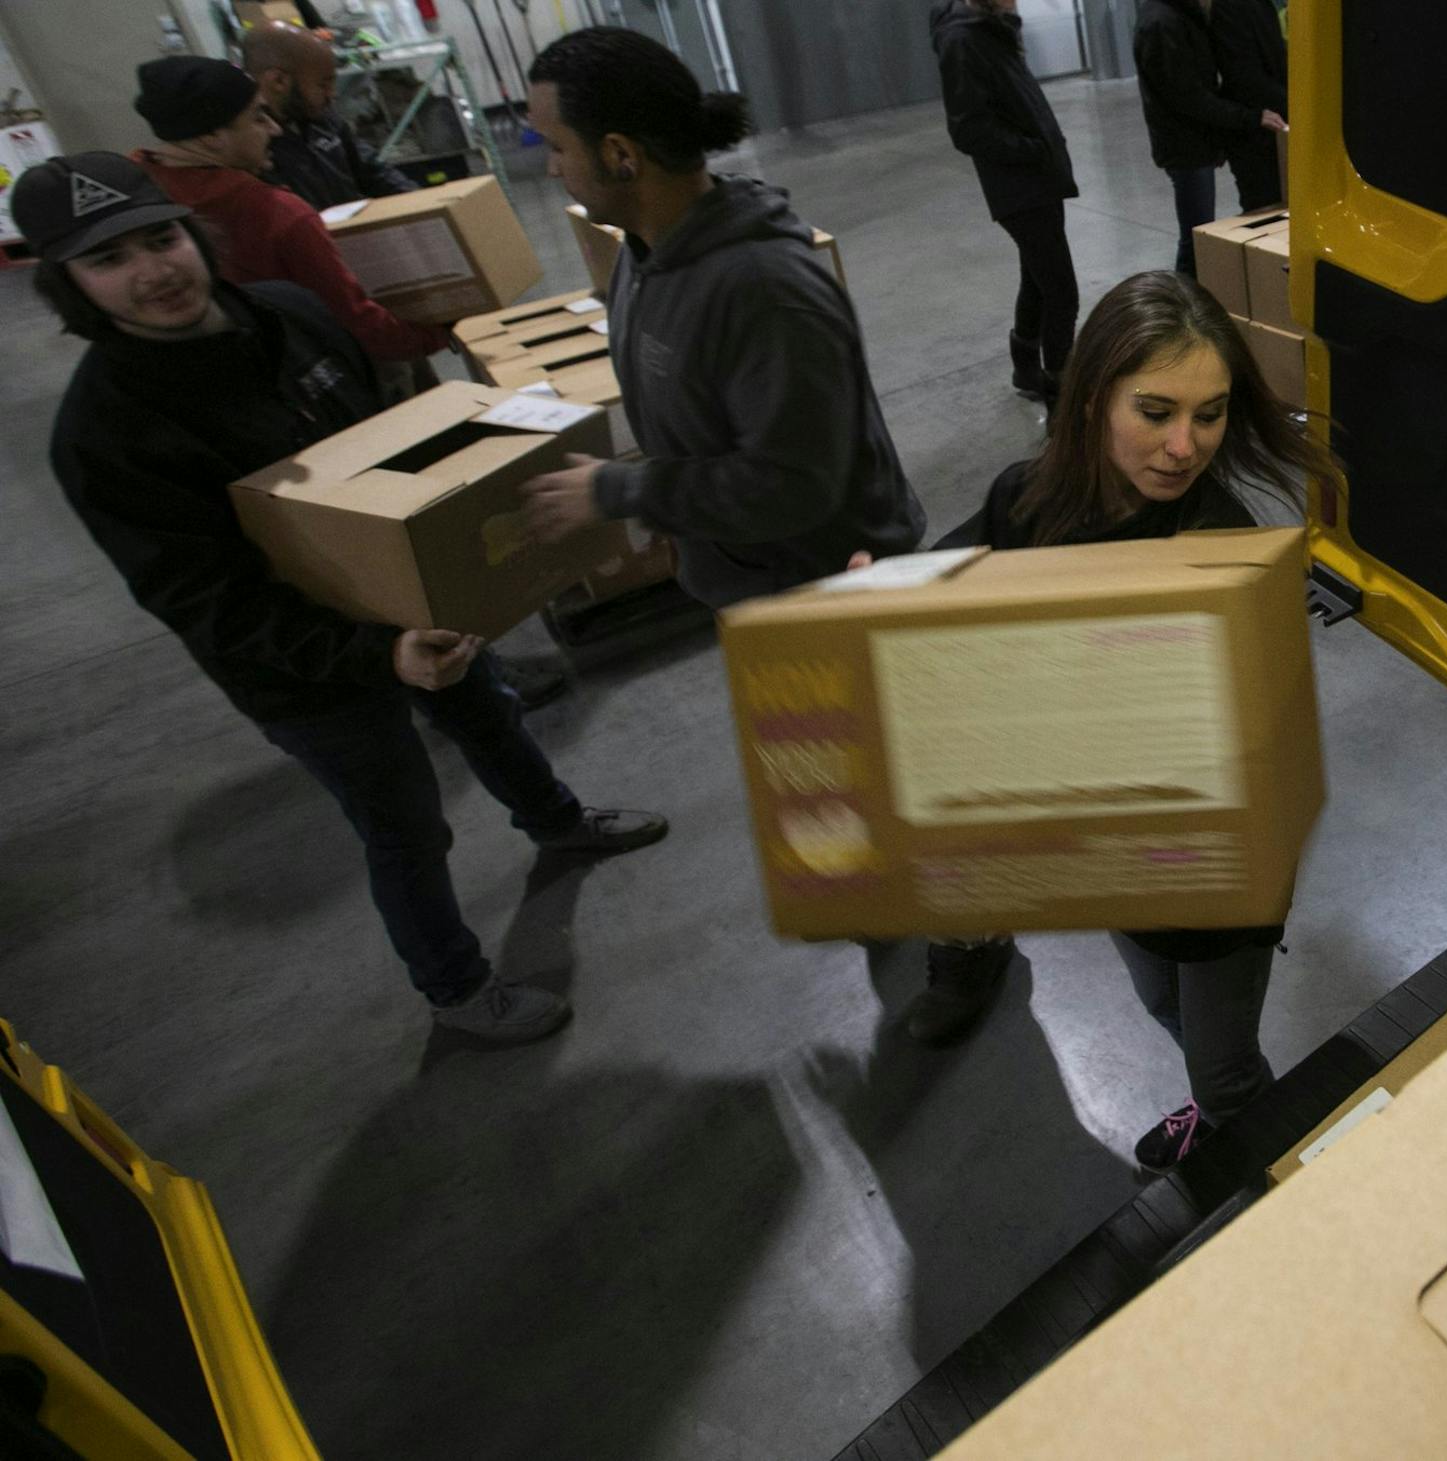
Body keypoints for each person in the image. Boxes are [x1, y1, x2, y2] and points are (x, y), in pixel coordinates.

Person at [21, 152, 666, 1046]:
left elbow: (398, 451)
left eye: (160, 238)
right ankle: (455, 985)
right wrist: (373, 654)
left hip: (413, 604)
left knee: (490, 712)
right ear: (70, 287)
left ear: (191, 232)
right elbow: (209, 602)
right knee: (403, 821)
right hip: (301, 669)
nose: (152, 272)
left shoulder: (292, 317)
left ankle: (558, 823)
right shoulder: (107, 436)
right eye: (110, 261)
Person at [907, 272, 1341, 1172]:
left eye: (1211, 415)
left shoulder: (1217, 556)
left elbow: (1239, 759)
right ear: (1094, 395)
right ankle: (1214, 1110)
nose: (1186, 447)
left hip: (1215, 878)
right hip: (1106, 860)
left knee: (1226, 1067)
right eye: (1156, 410)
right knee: (1160, 1007)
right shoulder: (1025, 498)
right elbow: (935, 600)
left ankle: (1264, 1176)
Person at [516, 27, 926, 608]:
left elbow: (793, 484)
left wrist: (624, 489)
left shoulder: (763, 291)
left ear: (620, 155)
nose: (552, 169)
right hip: (751, 575)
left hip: (827, 591)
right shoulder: (645, 254)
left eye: (556, 147)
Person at [127, 55, 452, 366]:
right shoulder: (275, 215)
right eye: (257, 117)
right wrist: (438, 334)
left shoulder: (134, 189)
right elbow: (358, 325)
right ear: (212, 135)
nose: (274, 129)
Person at [930, 0, 1080, 404]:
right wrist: (1032, 150)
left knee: (1037, 277)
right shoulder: (962, 39)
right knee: (1062, 290)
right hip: (1020, 184)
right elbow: (968, 129)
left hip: (1037, 178)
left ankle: (1026, 367)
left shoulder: (992, 27)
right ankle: (1061, 395)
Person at [1134, 0, 1286, 276]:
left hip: (1199, 140)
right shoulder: (1162, 23)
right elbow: (1189, 97)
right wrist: (1248, 117)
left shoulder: (1183, 15)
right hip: (1186, 146)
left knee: (1197, 233)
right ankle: (1182, 305)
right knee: (1195, 237)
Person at [243, 21, 419, 210]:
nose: (332, 94)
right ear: (279, 81)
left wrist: (421, 201)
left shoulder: (323, 119)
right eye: (322, 85)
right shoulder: (252, 145)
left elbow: (373, 171)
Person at [1210, 0, 1288, 211]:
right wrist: (1297, 106)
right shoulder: (1230, 8)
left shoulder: (1263, 5)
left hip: (1273, 121)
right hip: (1255, 132)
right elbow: (1245, 78)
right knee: (1266, 211)